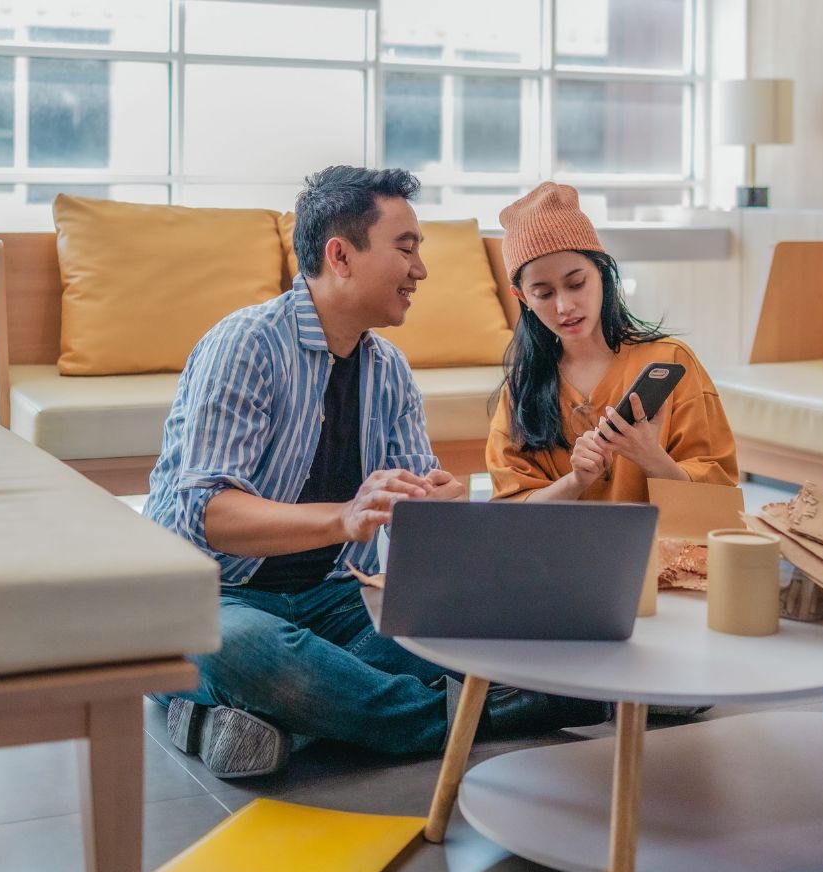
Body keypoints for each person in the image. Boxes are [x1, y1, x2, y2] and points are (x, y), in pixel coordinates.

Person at [146, 167, 605, 778]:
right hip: (211, 599)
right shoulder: (246, 344)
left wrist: (435, 510)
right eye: (407, 248)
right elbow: (208, 515)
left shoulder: (387, 368)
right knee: (243, 648)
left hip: (332, 601)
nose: (421, 270)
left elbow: (408, 528)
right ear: (341, 255)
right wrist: (345, 515)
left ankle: (253, 712)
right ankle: (490, 714)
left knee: (470, 628)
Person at [487, 182, 739, 503]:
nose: (564, 306)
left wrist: (651, 457)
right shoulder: (522, 387)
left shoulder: (672, 361)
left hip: (660, 549)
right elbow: (511, 513)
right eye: (544, 293)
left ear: (603, 273)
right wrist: (576, 481)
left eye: (576, 283)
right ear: (521, 297)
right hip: (563, 551)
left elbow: (718, 498)